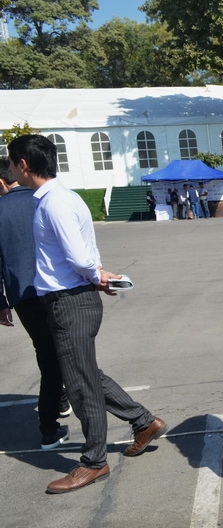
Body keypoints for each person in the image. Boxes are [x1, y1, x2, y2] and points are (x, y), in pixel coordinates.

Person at [7, 134, 167, 494]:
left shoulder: (54, 203)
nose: (11, 168)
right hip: (70, 299)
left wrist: (96, 275)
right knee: (83, 372)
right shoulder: (58, 198)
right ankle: (142, 421)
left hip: (70, 301)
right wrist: (96, 275)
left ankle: (94, 461)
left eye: (12, 162)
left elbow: (79, 257)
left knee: (80, 386)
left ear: (25, 165)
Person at [0, 158, 71, 449]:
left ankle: (51, 421)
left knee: (46, 351)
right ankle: (51, 420)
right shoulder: (45, 200)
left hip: (22, 295)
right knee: (63, 352)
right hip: (57, 288)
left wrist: (1, 302)